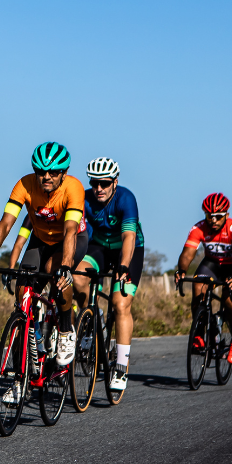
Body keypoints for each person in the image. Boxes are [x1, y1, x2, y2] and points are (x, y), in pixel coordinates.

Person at [0, 142, 86, 371]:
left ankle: (65, 330)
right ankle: (31, 348)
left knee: (55, 270)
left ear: (64, 173)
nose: (46, 177)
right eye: (41, 171)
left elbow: (70, 230)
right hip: (40, 240)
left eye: (53, 172)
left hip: (70, 240)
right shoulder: (25, 184)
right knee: (23, 292)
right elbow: (6, 223)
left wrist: (67, 267)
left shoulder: (73, 188)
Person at [77, 157, 143, 391]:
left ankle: (121, 367)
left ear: (115, 182)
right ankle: (92, 320)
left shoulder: (126, 198)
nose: (99, 189)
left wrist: (123, 266)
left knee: (121, 304)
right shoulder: (85, 198)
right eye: (94, 183)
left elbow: (129, 237)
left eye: (104, 183)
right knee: (77, 277)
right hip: (99, 247)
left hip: (127, 250)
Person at [174, 193, 232, 364]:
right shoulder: (199, 229)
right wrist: (181, 270)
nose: (214, 221)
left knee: (230, 301)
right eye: (210, 216)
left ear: (227, 215)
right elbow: (188, 254)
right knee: (198, 289)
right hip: (212, 264)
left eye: (218, 217)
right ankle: (200, 334)